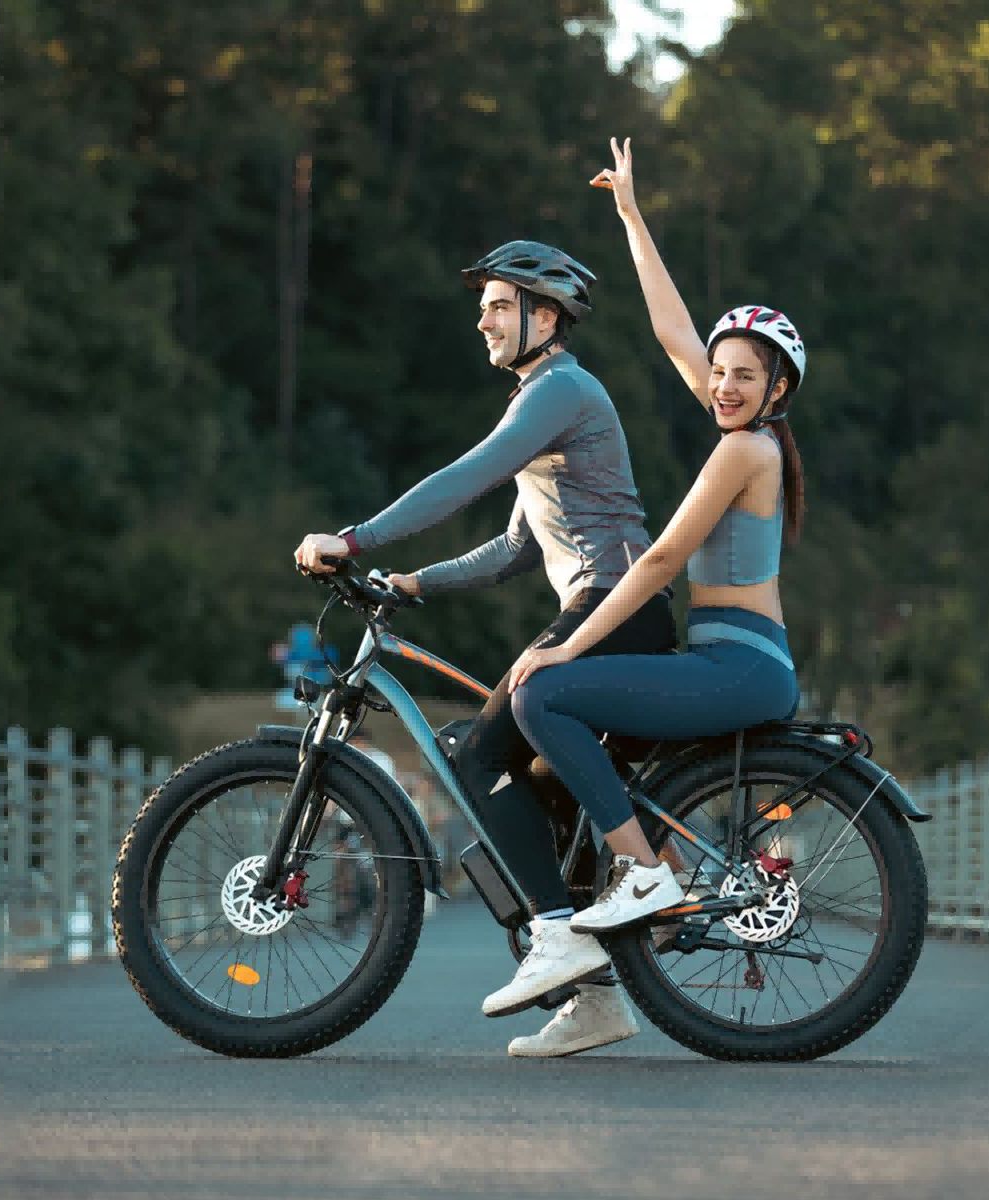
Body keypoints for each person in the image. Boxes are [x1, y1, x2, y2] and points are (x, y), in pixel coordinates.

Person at [294, 240, 676, 1027]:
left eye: (499, 306)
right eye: (483, 309)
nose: (483, 322)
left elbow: (471, 473)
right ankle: (595, 996)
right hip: (610, 607)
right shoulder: (550, 401)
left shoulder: (559, 390)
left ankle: (558, 930)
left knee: (476, 754)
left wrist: (355, 539)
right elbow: (514, 547)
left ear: (546, 315)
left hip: (614, 605)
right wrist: (416, 582)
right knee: (522, 767)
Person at [501, 137, 806, 1057]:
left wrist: (569, 644)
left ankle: (643, 876)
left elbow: (664, 556)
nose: (722, 384)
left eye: (743, 376)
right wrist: (633, 215)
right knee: (567, 759)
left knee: (545, 696)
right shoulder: (741, 425)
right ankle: (606, 974)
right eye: (721, 373)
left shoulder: (748, 449)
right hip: (722, 661)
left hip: (738, 668)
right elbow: (678, 334)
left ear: (778, 389)